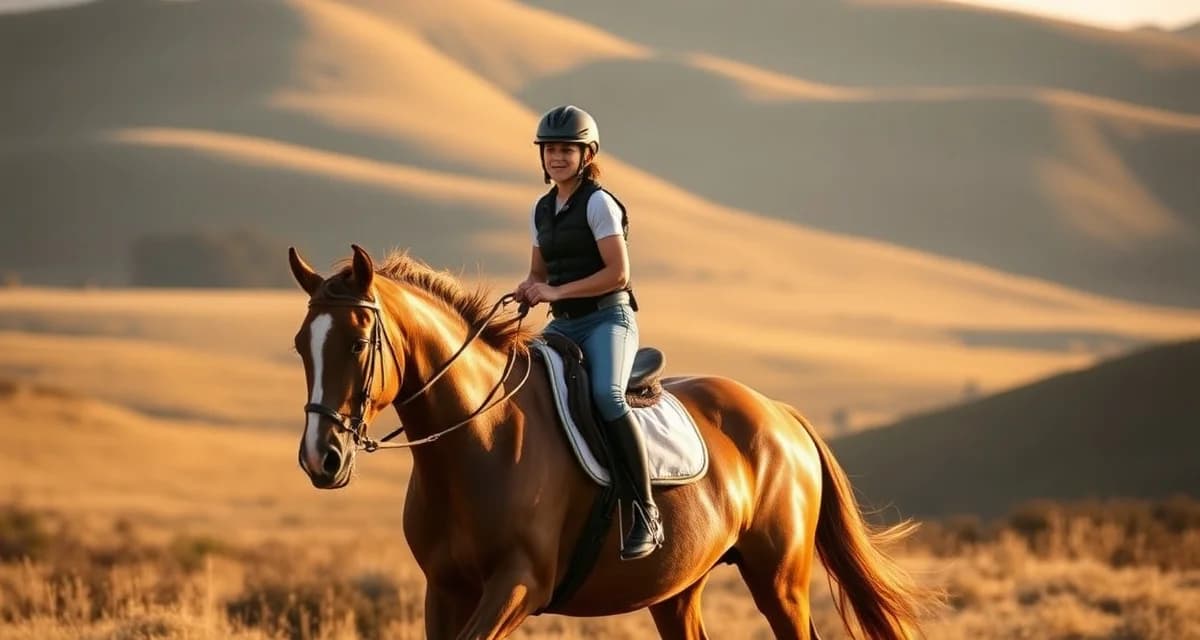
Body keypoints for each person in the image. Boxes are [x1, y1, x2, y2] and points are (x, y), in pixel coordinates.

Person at [513, 105, 663, 561]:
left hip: (607, 320)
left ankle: (645, 511)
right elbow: (539, 273)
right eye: (550, 150)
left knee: (606, 396)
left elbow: (618, 274)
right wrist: (528, 288)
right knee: (525, 389)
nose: (557, 157)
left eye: (567, 149)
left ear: (587, 154)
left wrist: (555, 291)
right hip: (563, 324)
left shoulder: (599, 204)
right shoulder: (542, 209)